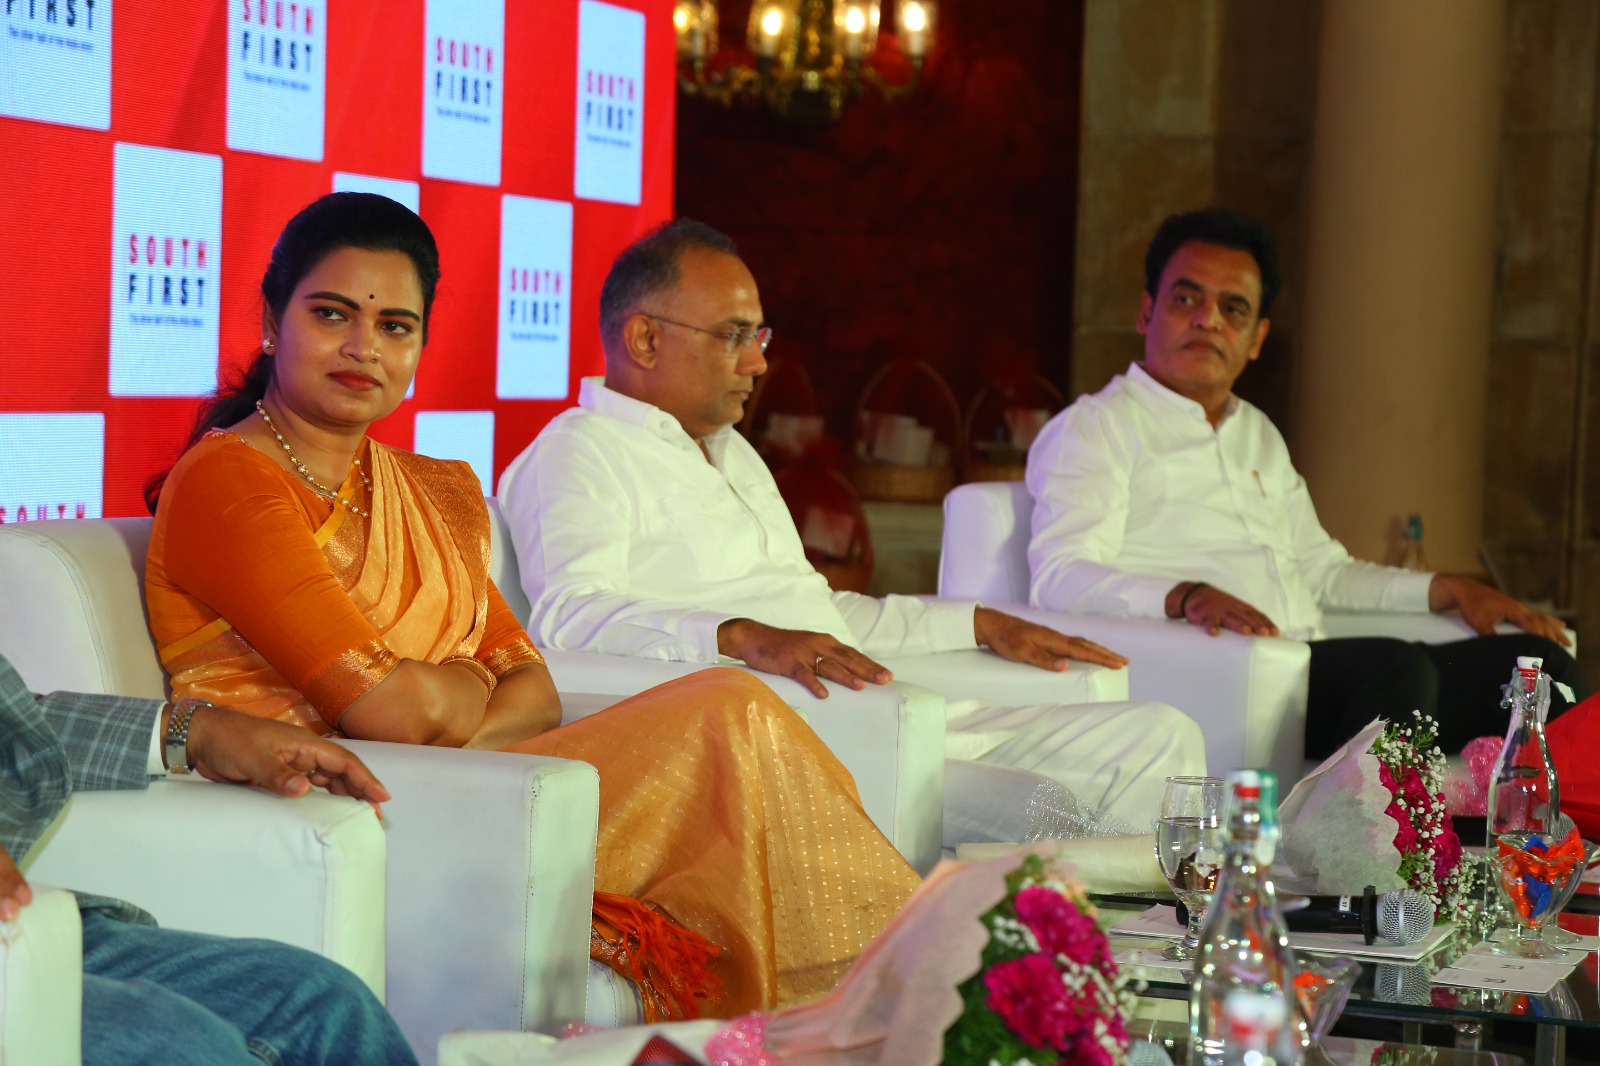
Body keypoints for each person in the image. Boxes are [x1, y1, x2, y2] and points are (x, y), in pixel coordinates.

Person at [142, 192, 917, 1021]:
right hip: (341, 809)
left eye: (396, 326)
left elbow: (535, 692)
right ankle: (903, 997)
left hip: (476, 787)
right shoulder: (229, 481)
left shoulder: (430, 491)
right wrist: (466, 686)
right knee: (728, 712)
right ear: (272, 321)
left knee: (734, 716)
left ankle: (869, 1001)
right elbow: (390, 714)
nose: (364, 346)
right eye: (332, 314)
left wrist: (441, 702)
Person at [495, 219, 1206, 837]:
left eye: (758, 335)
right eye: (734, 335)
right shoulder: (576, 452)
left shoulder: (730, 451)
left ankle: (1146, 935)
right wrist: (738, 636)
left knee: (1160, 733)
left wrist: (977, 622)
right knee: (1046, 808)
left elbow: (820, 615)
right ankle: (1055, 942)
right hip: (780, 739)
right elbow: (569, 617)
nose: (759, 362)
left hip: (877, 712)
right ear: (645, 338)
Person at [1024, 207, 1589, 758]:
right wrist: (1185, 596)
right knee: (1396, 669)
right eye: (1186, 299)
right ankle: (1364, 825)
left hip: (1312, 666)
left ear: (1257, 337)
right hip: (1215, 675)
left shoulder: (1256, 433)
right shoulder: (1096, 427)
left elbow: (1321, 571)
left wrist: (1450, 589)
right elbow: (1059, 577)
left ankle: (1536, 824)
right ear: (1147, 311)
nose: (1209, 320)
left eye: (1233, 308)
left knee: (1543, 670)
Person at [0, 651, 416, 1066]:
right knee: (179, 1045)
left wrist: (193, 732)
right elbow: (396, 707)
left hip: (31, 928)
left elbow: (12, 730)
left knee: (325, 1001)